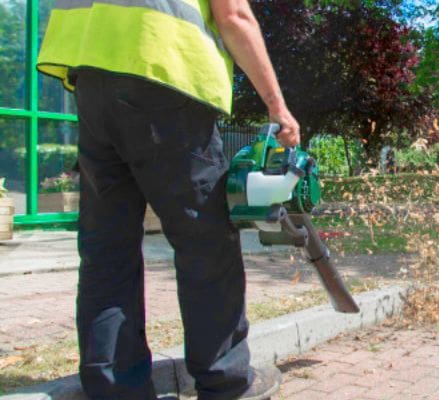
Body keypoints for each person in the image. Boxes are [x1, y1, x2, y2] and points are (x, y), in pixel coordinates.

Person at [37, 0, 299, 398]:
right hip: (163, 76)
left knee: (106, 249)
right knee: (205, 242)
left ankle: (114, 388)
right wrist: (278, 107)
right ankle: (224, 381)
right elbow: (234, 16)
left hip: (91, 82)